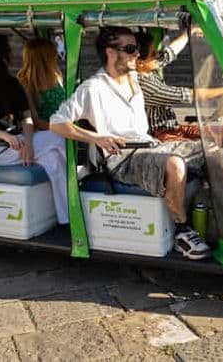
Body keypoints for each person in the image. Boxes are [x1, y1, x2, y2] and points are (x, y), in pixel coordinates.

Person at [49, 27, 211, 260]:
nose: (138, 54)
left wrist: (187, 32)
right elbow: (57, 123)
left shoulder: (134, 76)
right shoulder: (93, 88)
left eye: (137, 48)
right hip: (122, 158)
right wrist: (96, 138)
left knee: (212, 147)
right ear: (111, 53)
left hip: (149, 145)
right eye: (131, 49)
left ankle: (214, 215)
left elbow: (166, 55)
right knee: (175, 165)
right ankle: (182, 230)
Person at [0, 33, 68, 224]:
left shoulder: (10, 83)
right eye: (6, 53)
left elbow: (27, 117)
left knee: (54, 159)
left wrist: (28, 143)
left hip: (16, 142)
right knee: (59, 139)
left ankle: (66, 218)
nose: (10, 56)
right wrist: (3, 135)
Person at [136, 30, 223, 146]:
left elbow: (169, 52)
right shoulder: (144, 85)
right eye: (153, 53)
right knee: (203, 149)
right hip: (160, 135)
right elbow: (190, 95)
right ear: (140, 62)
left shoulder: (149, 67)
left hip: (175, 128)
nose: (158, 55)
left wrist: (189, 32)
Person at [17, 37, 66, 131]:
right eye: (53, 55)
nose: (56, 57)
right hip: (46, 132)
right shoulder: (25, 83)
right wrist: (64, 131)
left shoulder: (56, 75)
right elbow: (35, 121)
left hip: (65, 126)